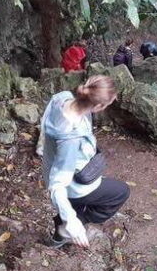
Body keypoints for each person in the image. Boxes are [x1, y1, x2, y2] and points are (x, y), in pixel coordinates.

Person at [40, 75, 130, 248]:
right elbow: (57, 184)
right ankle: (67, 227)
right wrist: (72, 221)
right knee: (120, 192)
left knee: (76, 204)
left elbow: (45, 123)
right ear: (98, 106)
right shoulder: (70, 139)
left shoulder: (61, 98)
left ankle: (57, 239)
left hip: (52, 164)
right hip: (74, 185)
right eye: (107, 104)